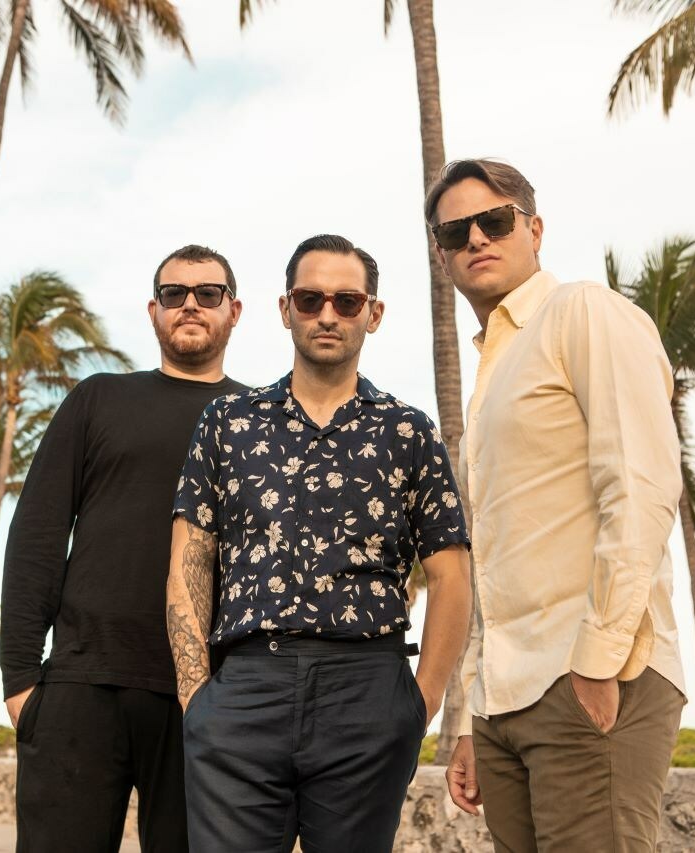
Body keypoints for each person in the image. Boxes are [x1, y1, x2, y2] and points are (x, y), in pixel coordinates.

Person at [169, 234, 473, 853]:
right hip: (244, 691)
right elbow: (188, 563)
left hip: (368, 692)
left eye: (347, 301)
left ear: (373, 313)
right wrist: (196, 699)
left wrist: (420, 703)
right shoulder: (228, 423)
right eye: (310, 300)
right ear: (286, 310)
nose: (327, 314)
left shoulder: (409, 431)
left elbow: (451, 576)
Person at [426, 159, 686, 852]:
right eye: (455, 231)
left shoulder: (582, 312)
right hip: (508, 702)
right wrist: (476, 714)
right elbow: (495, 563)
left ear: (534, 230)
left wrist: (598, 662)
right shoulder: (491, 377)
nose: (476, 237)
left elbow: (639, 484)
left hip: (591, 676)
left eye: (495, 220)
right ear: (442, 255)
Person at [0, 244, 247, 853]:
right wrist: (20, 682)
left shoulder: (257, 420)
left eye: (208, 293)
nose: (190, 305)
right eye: (173, 294)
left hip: (206, 698)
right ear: (153, 310)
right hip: (81, 688)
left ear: (234, 310)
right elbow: (37, 533)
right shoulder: (98, 398)